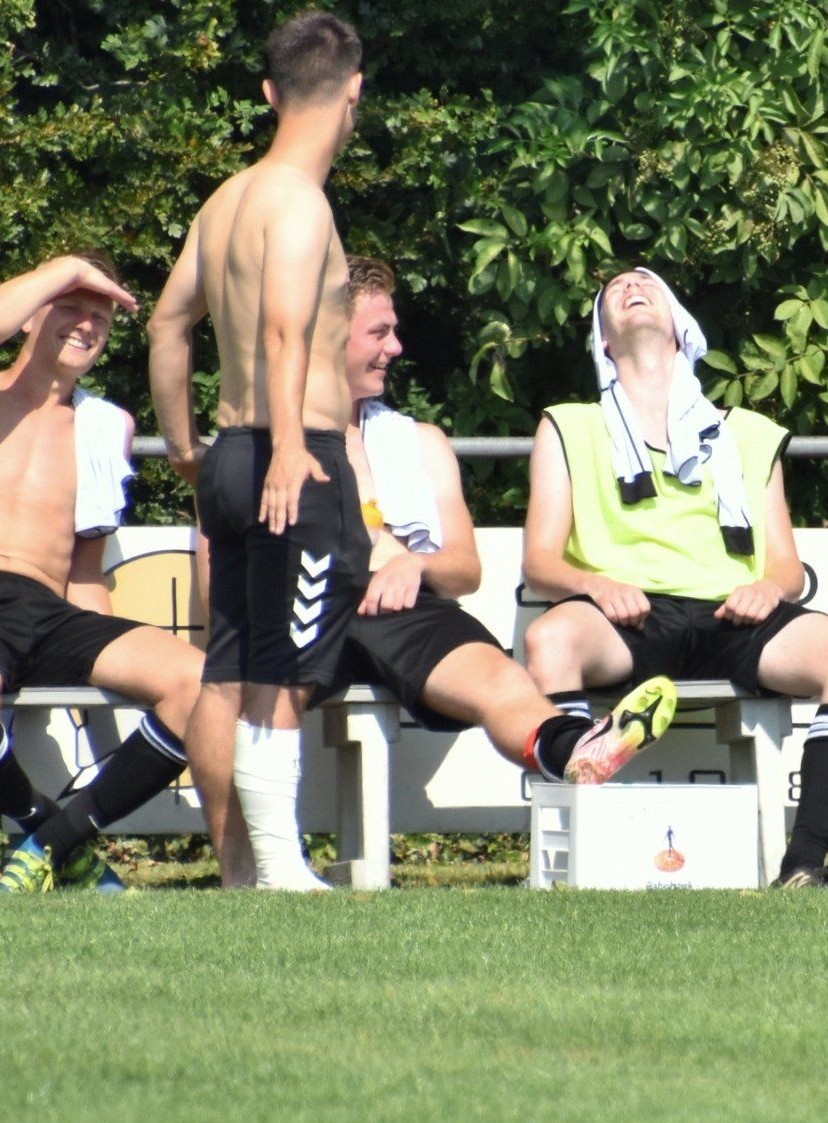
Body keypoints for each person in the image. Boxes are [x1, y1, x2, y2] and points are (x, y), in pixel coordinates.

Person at [192, 256, 677, 884]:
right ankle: (243, 872)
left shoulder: (419, 441)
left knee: (501, 677)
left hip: (401, 614)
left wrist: (412, 563)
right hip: (293, 610)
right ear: (327, 338)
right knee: (227, 683)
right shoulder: (258, 447)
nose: (395, 347)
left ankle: (573, 750)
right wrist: (356, 555)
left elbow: (466, 568)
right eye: (379, 332)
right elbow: (217, 590)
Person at [520, 268, 828, 888]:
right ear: (602, 340)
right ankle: (574, 850)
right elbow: (540, 562)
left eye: (647, 284)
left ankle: (804, 864)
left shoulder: (749, 432)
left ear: (681, 327)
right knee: (549, 638)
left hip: (730, 614)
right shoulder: (568, 424)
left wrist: (768, 588)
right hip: (627, 614)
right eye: (615, 290)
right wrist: (597, 585)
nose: (630, 288)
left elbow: (786, 566)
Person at [0, 251, 203, 892]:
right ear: (30, 313)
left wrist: (109, 665)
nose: (86, 324)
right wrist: (65, 268)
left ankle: (54, 844)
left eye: (100, 317)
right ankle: (54, 838)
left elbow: (85, 568)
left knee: (203, 685)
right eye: (70, 306)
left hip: (48, 612)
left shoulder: (104, 427)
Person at [149, 11, 378, 890]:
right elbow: (286, 330)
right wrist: (288, 448)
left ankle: (241, 870)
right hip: (293, 456)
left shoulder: (225, 202)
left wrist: (184, 448)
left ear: (270, 93)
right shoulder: (300, 201)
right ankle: (281, 869)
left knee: (232, 668)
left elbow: (168, 326)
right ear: (352, 93)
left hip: (230, 458)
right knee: (285, 666)